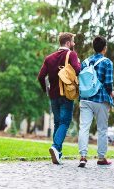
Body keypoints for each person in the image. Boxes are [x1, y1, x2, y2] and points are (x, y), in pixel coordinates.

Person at [37, 32, 81, 165]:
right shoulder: (71, 54)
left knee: (57, 122)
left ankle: (58, 153)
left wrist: (47, 90)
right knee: (65, 122)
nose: (74, 44)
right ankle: (55, 147)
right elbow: (78, 70)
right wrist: (79, 64)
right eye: (73, 42)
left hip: (53, 95)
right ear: (68, 43)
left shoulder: (49, 58)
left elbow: (40, 77)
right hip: (67, 94)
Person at [78, 36, 114, 168]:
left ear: (94, 47)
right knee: (102, 129)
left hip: (85, 98)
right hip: (100, 99)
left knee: (84, 127)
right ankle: (101, 157)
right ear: (104, 48)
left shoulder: (85, 62)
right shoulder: (107, 62)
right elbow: (109, 83)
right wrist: (111, 93)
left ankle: (82, 156)